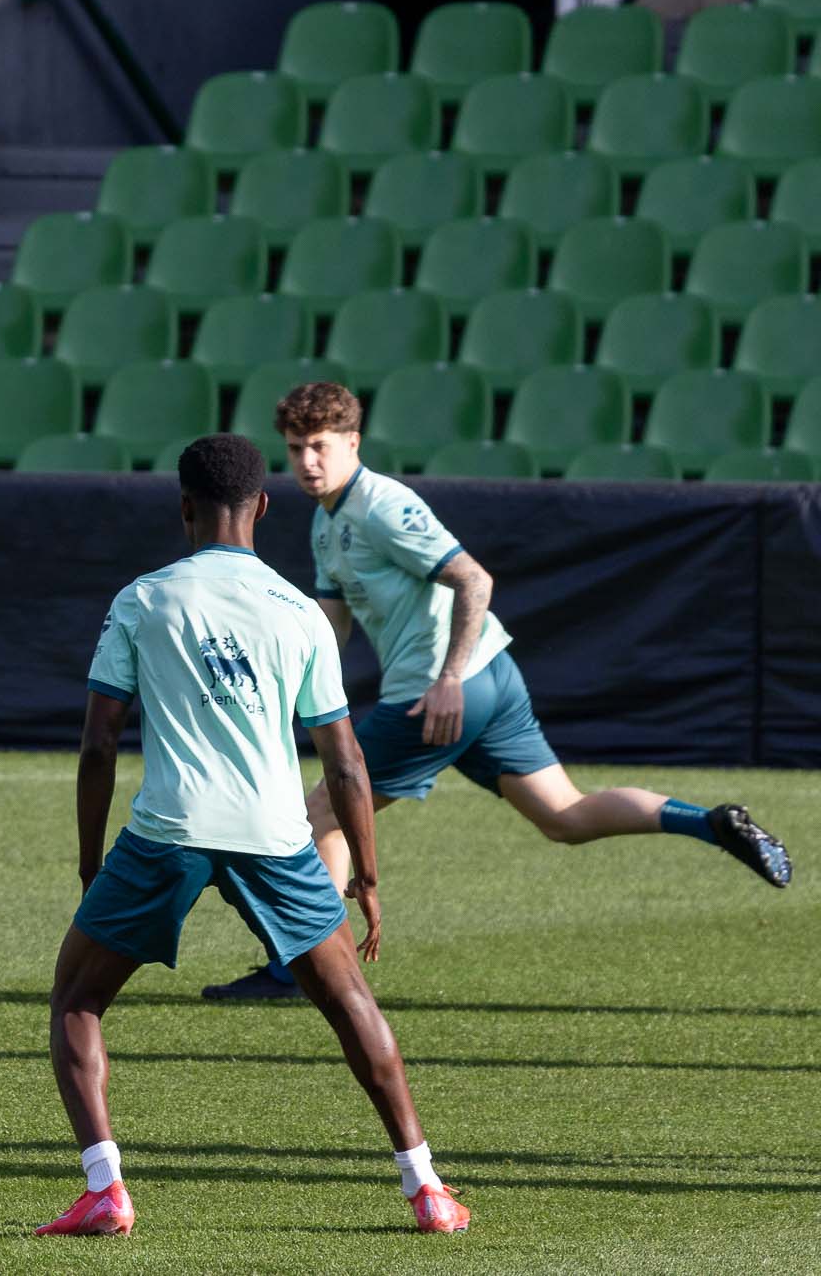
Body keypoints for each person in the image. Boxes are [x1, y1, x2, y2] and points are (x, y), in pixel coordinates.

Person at [204, 383, 793, 1001]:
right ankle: (712, 823)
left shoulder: (380, 505)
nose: (307, 462)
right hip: (490, 680)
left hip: (440, 693)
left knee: (319, 812)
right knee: (565, 817)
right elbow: (333, 624)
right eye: (296, 449)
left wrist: (450, 680)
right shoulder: (328, 524)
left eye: (320, 446)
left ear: (353, 442)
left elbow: (472, 579)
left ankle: (303, 971)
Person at [40, 434, 468, 1237]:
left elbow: (99, 744)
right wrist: (367, 875)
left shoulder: (143, 598)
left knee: (77, 998)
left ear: (184, 508)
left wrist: (91, 858)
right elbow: (343, 759)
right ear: (264, 506)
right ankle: (428, 1188)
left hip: (169, 828)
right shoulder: (299, 612)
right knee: (350, 1002)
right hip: (277, 835)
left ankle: (105, 1188)